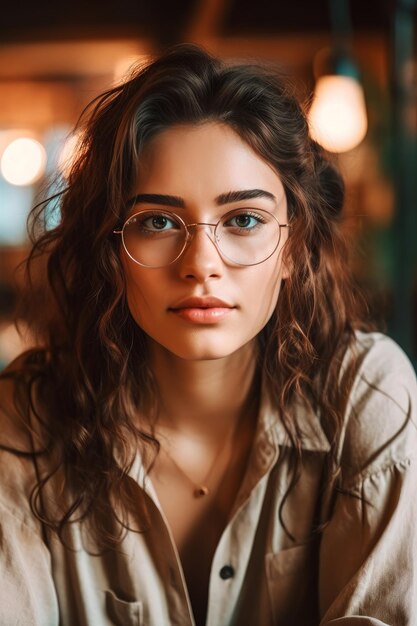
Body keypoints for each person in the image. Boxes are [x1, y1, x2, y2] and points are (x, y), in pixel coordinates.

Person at [1, 44, 416, 626]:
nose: (202, 264)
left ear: (294, 246)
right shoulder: (27, 417)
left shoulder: (364, 393)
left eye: (243, 219)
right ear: (110, 251)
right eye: (156, 222)